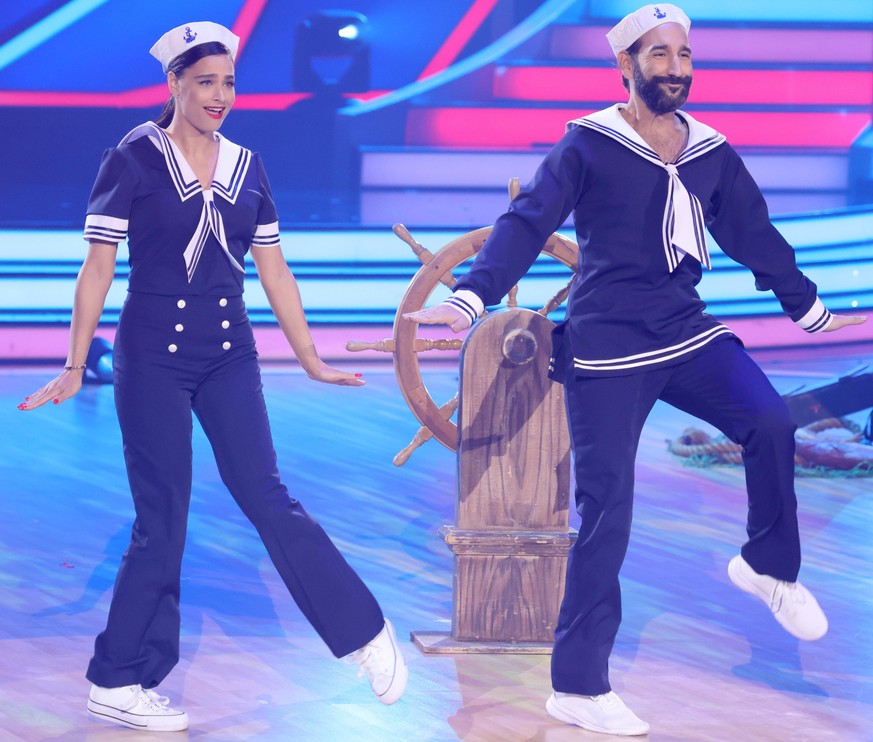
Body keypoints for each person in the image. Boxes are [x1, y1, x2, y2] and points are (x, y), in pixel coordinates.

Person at [406, 4, 867, 736]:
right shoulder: (588, 144)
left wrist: (805, 307)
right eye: (660, 56)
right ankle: (578, 687)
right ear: (626, 65)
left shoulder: (710, 150)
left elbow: (752, 232)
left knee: (770, 419)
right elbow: (527, 222)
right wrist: (468, 299)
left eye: (683, 55)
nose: (676, 68)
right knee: (607, 513)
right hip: (604, 344)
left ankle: (767, 567)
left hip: (682, 329)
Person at [18, 21, 406, 733]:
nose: (220, 95)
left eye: (228, 82)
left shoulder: (247, 165)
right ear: (174, 85)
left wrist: (311, 357)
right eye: (205, 82)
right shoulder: (135, 156)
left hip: (229, 349)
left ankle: (361, 631)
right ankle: (118, 680)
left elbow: (275, 268)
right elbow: (97, 267)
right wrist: (76, 364)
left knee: (267, 494)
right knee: (161, 519)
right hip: (152, 355)